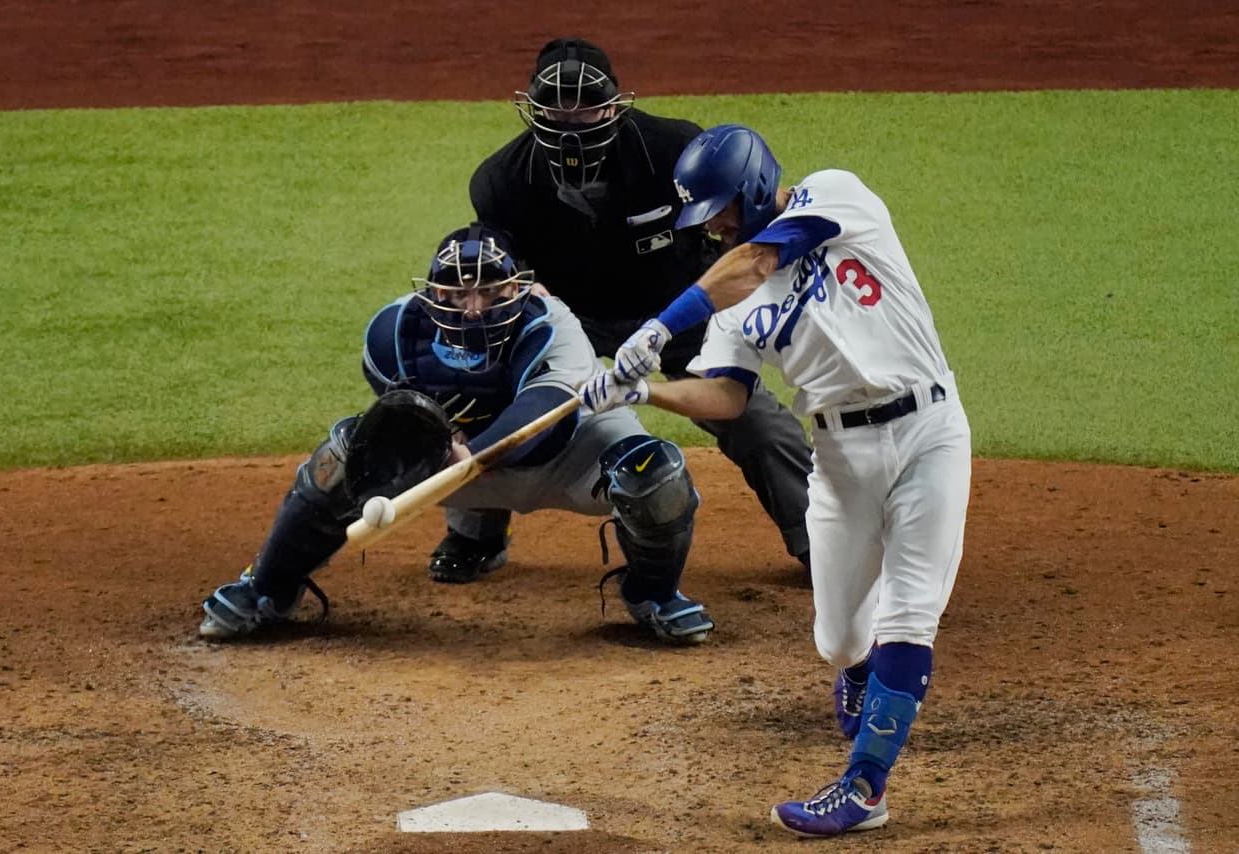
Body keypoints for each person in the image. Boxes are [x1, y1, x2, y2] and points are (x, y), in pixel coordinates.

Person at [581, 125, 972, 836]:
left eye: (723, 209)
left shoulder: (834, 195)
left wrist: (658, 328)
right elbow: (726, 397)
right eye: (707, 218)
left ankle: (864, 788)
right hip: (840, 458)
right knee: (840, 641)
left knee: (910, 613)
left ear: (757, 187)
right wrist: (645, 393)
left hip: (928, 434)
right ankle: (868, 667)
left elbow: (759, 259)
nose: (717, 226)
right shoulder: (731, 300)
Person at [198, 223, 713, 646]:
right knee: (341, 457)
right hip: (454, 462)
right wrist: (418, 455)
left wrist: (466, 452)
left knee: (654, 475)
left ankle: (653, 594)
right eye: (457, 292)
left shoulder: (553, 326)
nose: (473, 307)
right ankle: (268, 589)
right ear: (433, 293)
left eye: (490, 291)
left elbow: (542, 414)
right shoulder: (393, 333)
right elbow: (399, 425)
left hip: (567, 453)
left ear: (521, 288)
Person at [432, 36, 813, 582]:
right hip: (570, 322)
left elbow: (731, 229)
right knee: (493, 395)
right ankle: (475, 532)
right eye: (556, 107)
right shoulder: (500, 182)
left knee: (755, 422)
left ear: (614, 105)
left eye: (584, 104)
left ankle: (815, 539)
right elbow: (498, 274)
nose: (571, 121)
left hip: (678, 314)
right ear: (533, 111)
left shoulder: (673, 151)